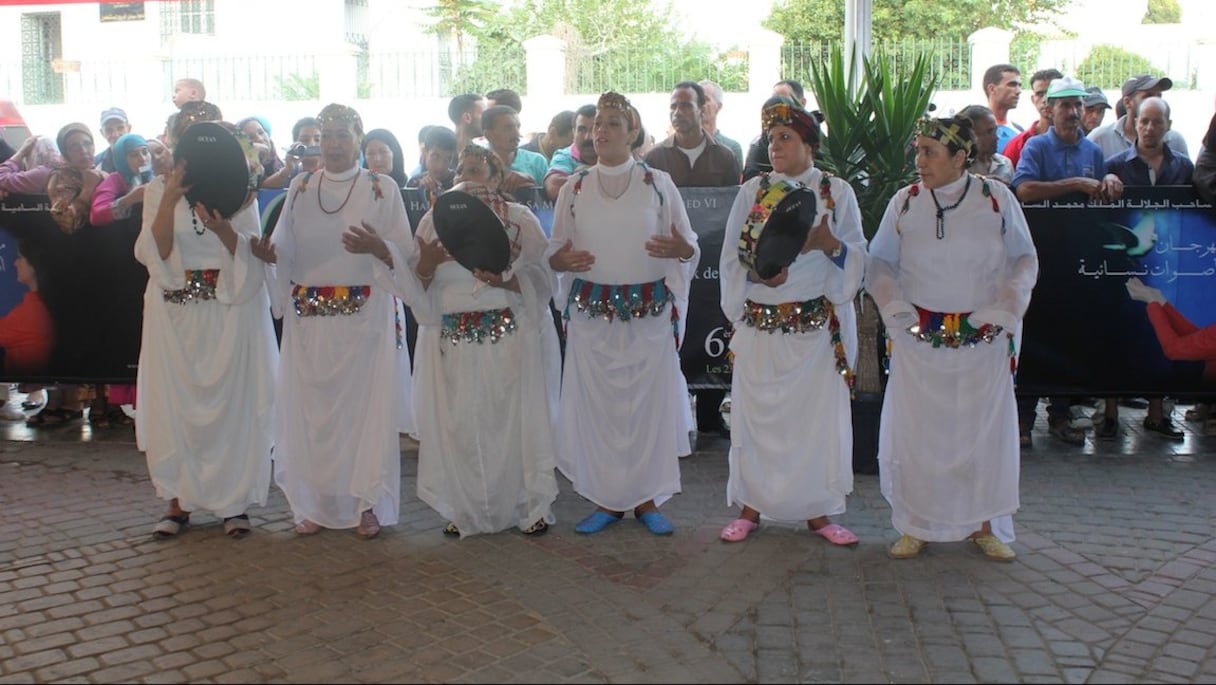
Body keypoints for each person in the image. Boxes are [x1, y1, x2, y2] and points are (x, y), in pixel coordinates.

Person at [867, 115, 1039, 562]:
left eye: (930, 152)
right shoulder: (904, 202)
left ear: (961, 158)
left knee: (980, 435)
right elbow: (880, 263)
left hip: (982, 341)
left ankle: (983, 525)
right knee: (918, 435)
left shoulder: (995, 198)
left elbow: (1024, 260)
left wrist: (1006, 306)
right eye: (918, 151)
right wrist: (893, 306)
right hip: (919, 343)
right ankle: (915, 524)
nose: (920, 161)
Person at [253, 103, 419, 539]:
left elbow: (406, 252)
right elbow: (285, 248)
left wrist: (378, 248)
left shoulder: (382, 188)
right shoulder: (302, 186)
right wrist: (271, 257)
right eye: (325, 136)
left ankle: (365, 504)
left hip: (366, 320)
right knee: (313, 415)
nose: (333, 144)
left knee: (364, 413)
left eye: (342, 135)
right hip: (309, 321)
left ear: (358, 139)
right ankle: (316, 504)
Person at [545, 91, 699, 536]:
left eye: (614, 122)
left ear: (633, 133)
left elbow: (689, 244)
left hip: (649, 315)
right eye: (598, 123)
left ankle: (646, 499)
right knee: (600, 409)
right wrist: (562, 263)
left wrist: (680, 249)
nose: (602, 130)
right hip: (593, 318)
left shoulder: (658, 183)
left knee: (645, 407)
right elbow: (554, 251)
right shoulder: (574, 187)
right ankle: (605, 500)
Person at [716, 96, 864, 544]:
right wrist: (763, 273)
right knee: (759, 418)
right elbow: (731, 258)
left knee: (812, 423)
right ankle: (752, 506)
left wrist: (829, 244)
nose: (775, 146)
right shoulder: (754, 191)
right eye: (771, 138)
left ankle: (818, 512)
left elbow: (858, 257)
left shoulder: (836, 192)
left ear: (809, 144)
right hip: (761, 326)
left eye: (786, 137)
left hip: (815, 331)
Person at [133, 122, 278, 539]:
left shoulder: (241, 190)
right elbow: (153, 252)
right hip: (175, 321)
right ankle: (178, 503)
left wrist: (222, 229)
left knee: (231, 407)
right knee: (176, 407)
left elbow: (249, 254)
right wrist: (171, 199)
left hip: (228, 316)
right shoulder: (160, 189)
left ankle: (233, 504)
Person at [409, 144, 561, 538]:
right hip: (453, 338)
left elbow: (543, 278)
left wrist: (509, 281)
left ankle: (527, 507)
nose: (467, 173)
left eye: (477, 168)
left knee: (510, 420)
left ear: (496, 178)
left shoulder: (520, 218)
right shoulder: (433, 220)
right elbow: (416, 284)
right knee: (461, 423)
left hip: (507, 333)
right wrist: (426, 266)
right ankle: (466, 508)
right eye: (461, 168)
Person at [644, 81, 740, 187]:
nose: (677, 113)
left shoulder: (725, 158)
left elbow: (731, 199)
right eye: (673, 106)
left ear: (702, 110)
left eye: (686, 106)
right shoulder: (654, 157)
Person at [0, 239, 54, 377]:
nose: (15, 263)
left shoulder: (32, 313)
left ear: (33, 266)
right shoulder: (39, 305)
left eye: (20, 258)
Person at [959, 105, 1013, 185]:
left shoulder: (1005, 164)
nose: (996, 137)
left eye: (995, 130)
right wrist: (979, 182)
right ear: (971, 135)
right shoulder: (958, 167)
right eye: (989, 132)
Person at [699, 79, 744, 168]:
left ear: (718, 106)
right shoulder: (681, 143)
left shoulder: (732, 147)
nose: (699, 104)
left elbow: (733, 181)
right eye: (696, 99)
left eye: (705, 99)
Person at [983, 64, 1023, 154]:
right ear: (992, 89)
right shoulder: (974, 131)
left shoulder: (1019, 131)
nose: (1018, 91)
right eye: (1012, 85)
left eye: (1020, 85)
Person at [95, 107, 130, 173]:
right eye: (109, 130)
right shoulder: (97, 163)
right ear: (102, 133)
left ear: (129, 128)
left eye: (120, 128)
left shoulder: (145, 154)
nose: (115, 134)